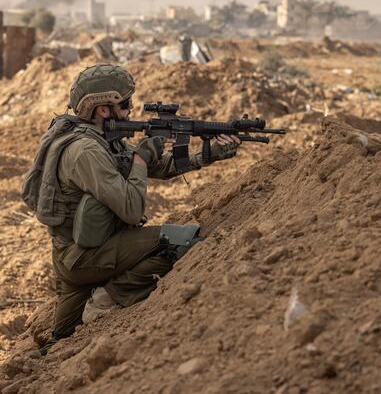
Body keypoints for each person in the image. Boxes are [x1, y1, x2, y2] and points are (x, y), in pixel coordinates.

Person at [21, 64, 240, 357]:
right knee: (178, 242)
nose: (130, 110)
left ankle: (88, 307)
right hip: (85, 258)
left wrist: (208, 154)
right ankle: (109, 297)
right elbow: (131, 209)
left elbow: (156, 167)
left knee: (59, 345)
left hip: (80, 252)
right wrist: (140, 157)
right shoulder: (86, 151)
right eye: (125, 104)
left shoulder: (99, 139)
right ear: (102, 109)